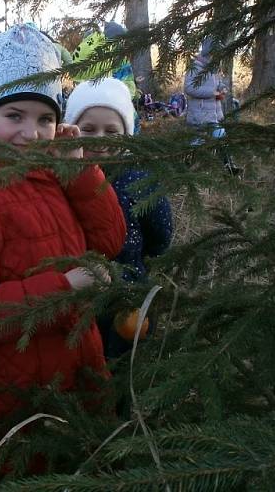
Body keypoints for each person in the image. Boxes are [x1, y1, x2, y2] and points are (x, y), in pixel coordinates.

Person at [0, 24, 127, 488]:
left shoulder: (55, 175)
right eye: (14, 115)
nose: (30, 134)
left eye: (43, 119)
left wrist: (76, 166)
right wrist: (63, 289)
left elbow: (110, 239)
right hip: (9, 403)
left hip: (74, 378)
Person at [64, 78, 173, 358]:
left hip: (129, 293)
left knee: (123, 357)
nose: (100, 138)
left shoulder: (140, 180)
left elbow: (161, 233)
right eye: (88, 129)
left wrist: (140, 261)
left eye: (111, 130)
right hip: (77, 295)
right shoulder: (62, 181)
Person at [184, 39, 242, 175]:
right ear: (209, 52)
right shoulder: (195, 67)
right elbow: (189, 88)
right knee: (196, 142)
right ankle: (184, 168)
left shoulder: (213, 68)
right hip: (199, 113)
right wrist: (212, 93)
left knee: (221, 137)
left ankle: (229, 168)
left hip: (213, 113)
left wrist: (222, 89)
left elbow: (219, 84)